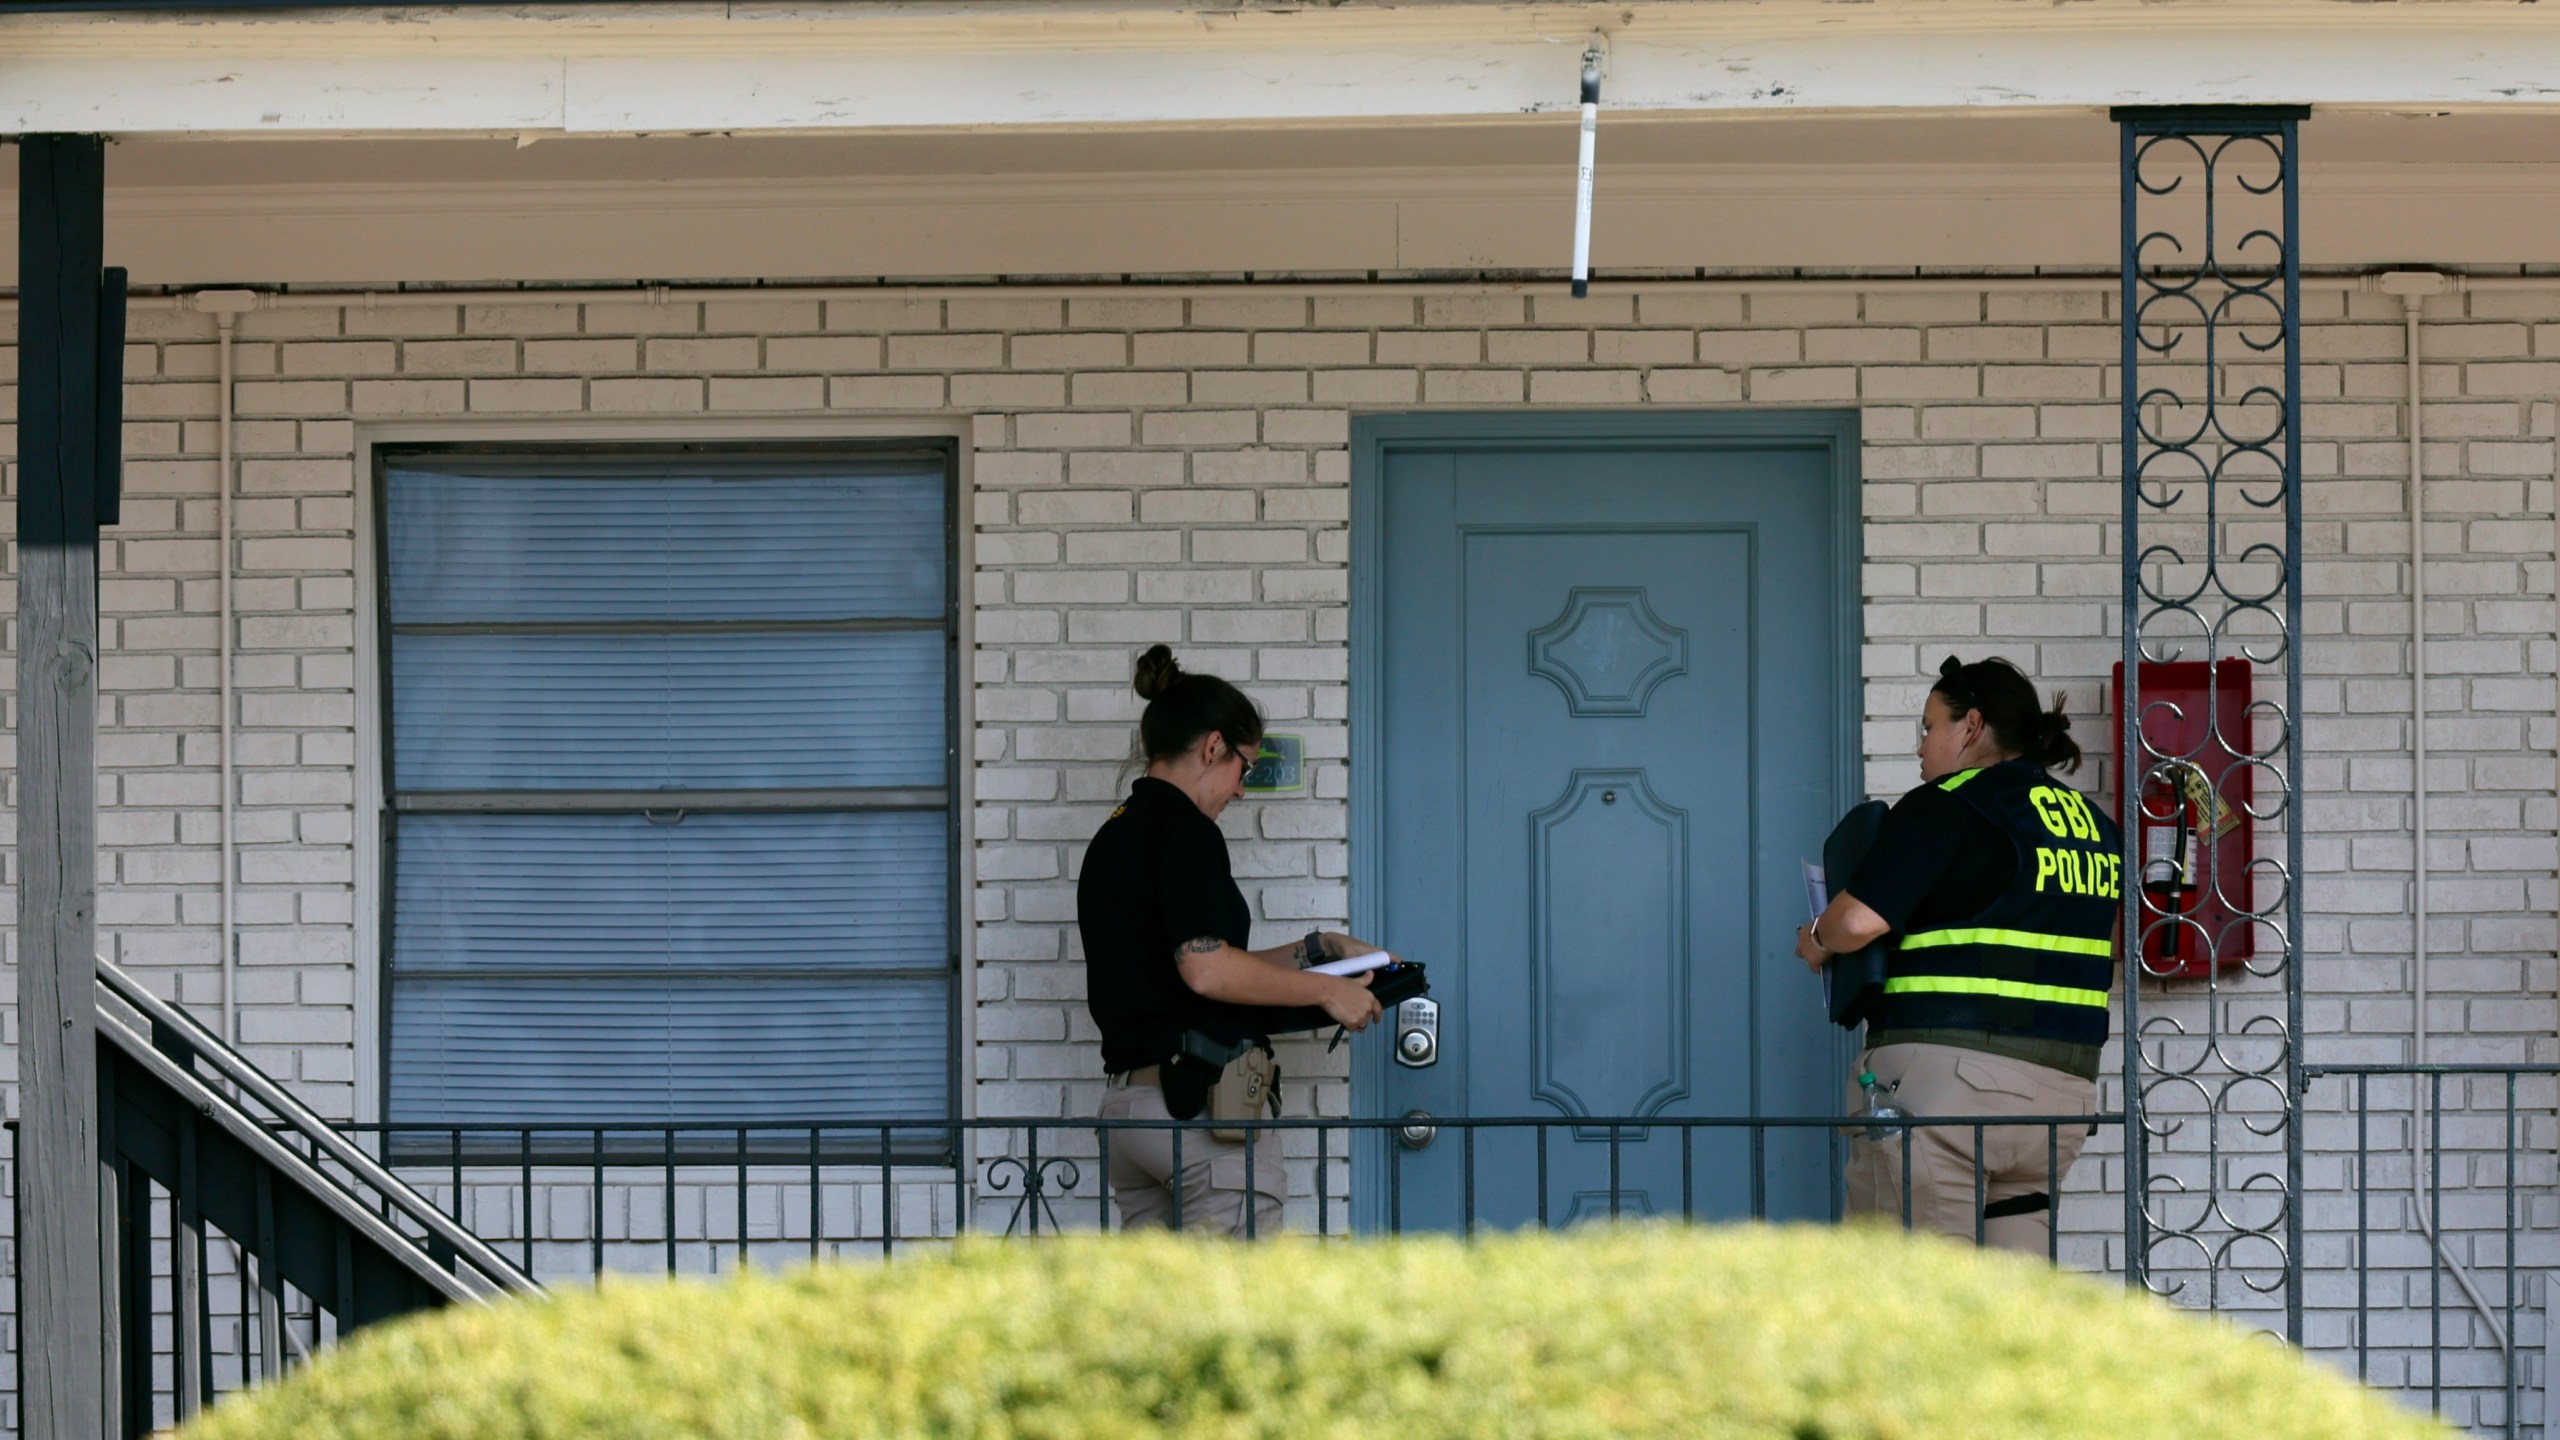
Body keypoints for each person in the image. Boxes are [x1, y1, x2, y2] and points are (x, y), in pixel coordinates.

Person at [1794, 655, 2122, 1254]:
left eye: (1928, 726)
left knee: (1915, 1301)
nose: (1921, 746)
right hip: (2058, 1100)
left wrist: (1816, 939)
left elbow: (1858, 920)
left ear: (1971, 726)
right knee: (2009, 1312)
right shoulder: (2096, 827)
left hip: (1948, 1092)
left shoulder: (1947, 804)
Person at [1078, 644, 1389, 1235]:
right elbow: (1208, 970)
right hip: (1201, 1119)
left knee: (1153, 1318)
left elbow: (1196, 961)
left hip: (1131, 1115)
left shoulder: (1114, 836)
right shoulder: (1187, 831)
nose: (1243, 789)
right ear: (1213, 745)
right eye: (1244, 768)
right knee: (1229, 1318)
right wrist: (1326, 994)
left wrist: (1322, 949)